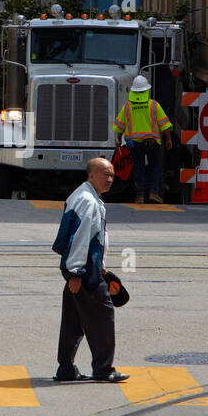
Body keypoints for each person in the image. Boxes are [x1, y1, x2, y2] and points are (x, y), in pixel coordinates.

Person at [51, 158, 128, 383]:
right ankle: (104, 370)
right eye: (105, 174)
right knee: (103, 316)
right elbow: (81, 238)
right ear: (91, 175)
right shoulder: (89, 202)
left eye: (112, 175)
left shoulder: (82, 196)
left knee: (73, 322)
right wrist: (75, 273)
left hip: (82, 269)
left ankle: (66, 369)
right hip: (84, 273)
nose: (110, 179)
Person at [113, 75, 174, 204]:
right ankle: (153, 193)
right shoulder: (153, 105)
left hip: (133, 143)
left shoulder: (127, 107)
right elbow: (165, 125)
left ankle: (139, 195)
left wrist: (118, 141)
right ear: (146, 90)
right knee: (155, 166)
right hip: (152, 142)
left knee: (138, 167)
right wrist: (168, 140)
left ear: (133, 91)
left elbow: (119, 127)